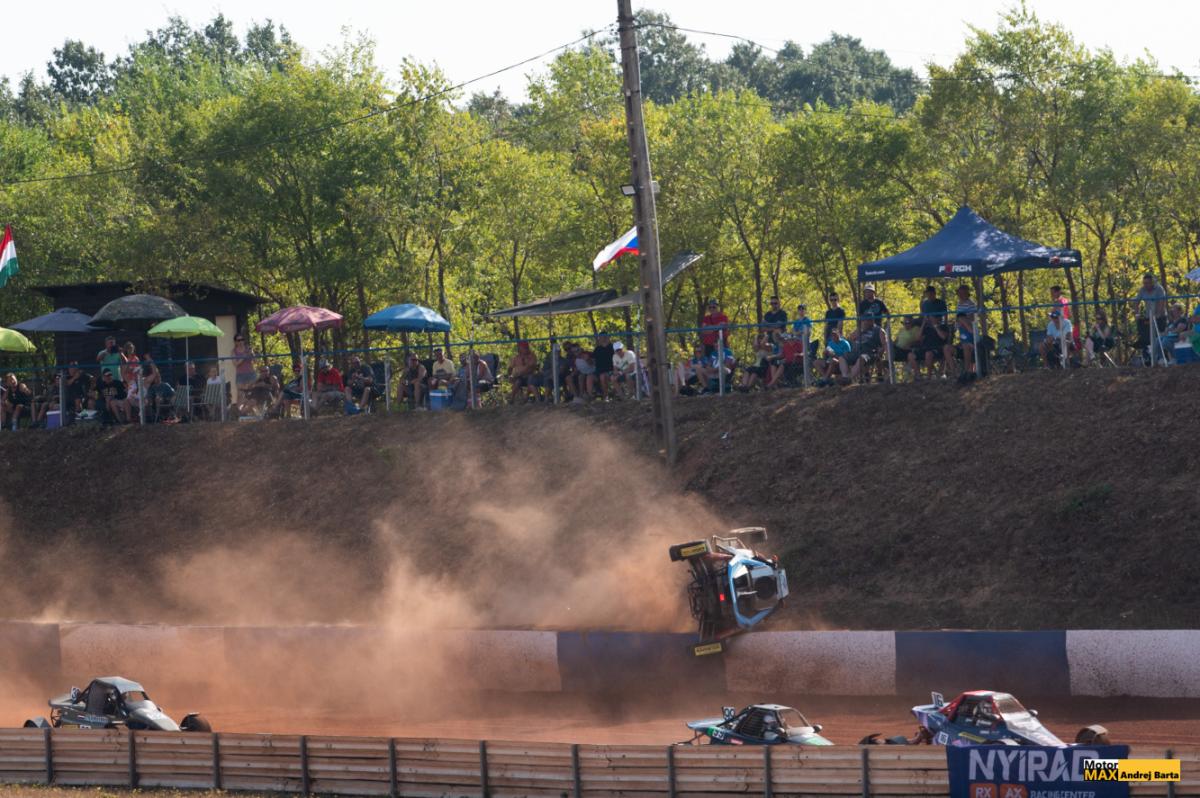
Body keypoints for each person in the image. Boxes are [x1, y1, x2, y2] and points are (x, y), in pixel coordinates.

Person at [1133, 273, 1168, 364]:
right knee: (1146, 336)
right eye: (1144, 283)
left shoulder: (1159, 289)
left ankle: (1162, 357)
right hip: (1148, 317)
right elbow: (1136, 302)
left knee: (1159, 336)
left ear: (1152, 282)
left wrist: (1158, 315)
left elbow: (1161, 302)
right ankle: (1148, 357)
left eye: (1148, 283)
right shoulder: (1142, 290)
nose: (1146, 285)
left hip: (1160, 317)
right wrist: (1137, 313)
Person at [918, 286, 950, 379]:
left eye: (931, 293)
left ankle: (930, 376)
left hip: (938, 328)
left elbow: (945, 317)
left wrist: (937, 324)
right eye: (928, 293)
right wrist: (925, 322)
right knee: (915, 353)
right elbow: (923, 316)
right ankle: (920, 376)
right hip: (927, 329)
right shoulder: (924, 304)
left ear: (934, 293)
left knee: (929, 353)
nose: (930, 295)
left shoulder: (941, 303)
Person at [844, 317, 885, 381]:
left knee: (862, 358)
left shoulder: (878, 330)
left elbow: (884, 345)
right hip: (857, 352)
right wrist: (860, 332)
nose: (865, 323)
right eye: (864, 321)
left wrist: (880, 352)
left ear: (872, 321)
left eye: (868, 320)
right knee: (842, 357)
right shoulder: (859, 330)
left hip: (870, 353)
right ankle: (845, 376)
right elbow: (849, 340)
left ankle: (849, 378)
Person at [232, 333, 256, 402]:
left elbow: (254, 361)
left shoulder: (248, 348)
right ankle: (239, 408)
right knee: (240, 394)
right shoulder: (234, 351)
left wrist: (252, 354)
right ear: (235, 342)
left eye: (242, 340)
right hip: (240, 375)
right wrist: (244, 356)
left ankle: (252, 408)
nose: (241, 342)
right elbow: (236, 364)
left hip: (251, 373)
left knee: (252, 393)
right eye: (238, 340)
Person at [593, 333, 616, 399]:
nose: (603, 339)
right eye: (601, 337)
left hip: (612, 370)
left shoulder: (613, 348)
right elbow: (594, 361)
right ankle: (605, 395)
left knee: (609, 377)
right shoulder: (597, 349)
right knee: (601, 377)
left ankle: (614, 394)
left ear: (608, 338)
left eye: (605, 337)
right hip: (600, 371)